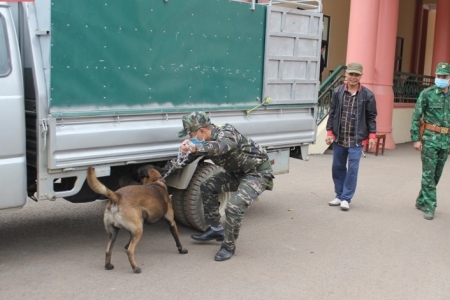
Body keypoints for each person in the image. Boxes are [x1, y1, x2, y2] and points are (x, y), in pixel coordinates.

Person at [163, 111, 274, 261]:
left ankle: (228, 247)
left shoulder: (227, 133)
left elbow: (220, 147)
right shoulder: (202, 142)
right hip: (237, 173)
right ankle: (215, 229)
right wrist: (161, 175)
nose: (190, 137)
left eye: (191, 133)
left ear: (201, 130)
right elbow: (182, 161)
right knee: (207, 185)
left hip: (257, 173)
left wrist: (195, 147)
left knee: (234, 206)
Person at [325, 62, 377, 211]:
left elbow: (371, 117)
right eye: (351, 74)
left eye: (356, 74)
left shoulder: (367, 95)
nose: (353, 77)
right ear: (346, 74)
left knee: (352, 169)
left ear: (361, 76)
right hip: (340, 138)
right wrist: (330, 132)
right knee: (337, 167)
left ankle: (346, 198)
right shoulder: (337, 92)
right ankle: (339, 194)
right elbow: (332, 113)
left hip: (356, 139)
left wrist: (372, 136)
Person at [410, 62, 450, 220]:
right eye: (439, 76)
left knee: (436, 174)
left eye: (444, 76)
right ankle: (430, 205)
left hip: (445, 140)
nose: (441, 79)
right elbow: (416, 116)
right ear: (435, 76)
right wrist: (416, 139)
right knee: (428, 173)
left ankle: (421, 200)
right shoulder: (427, 93)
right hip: (429, 139)